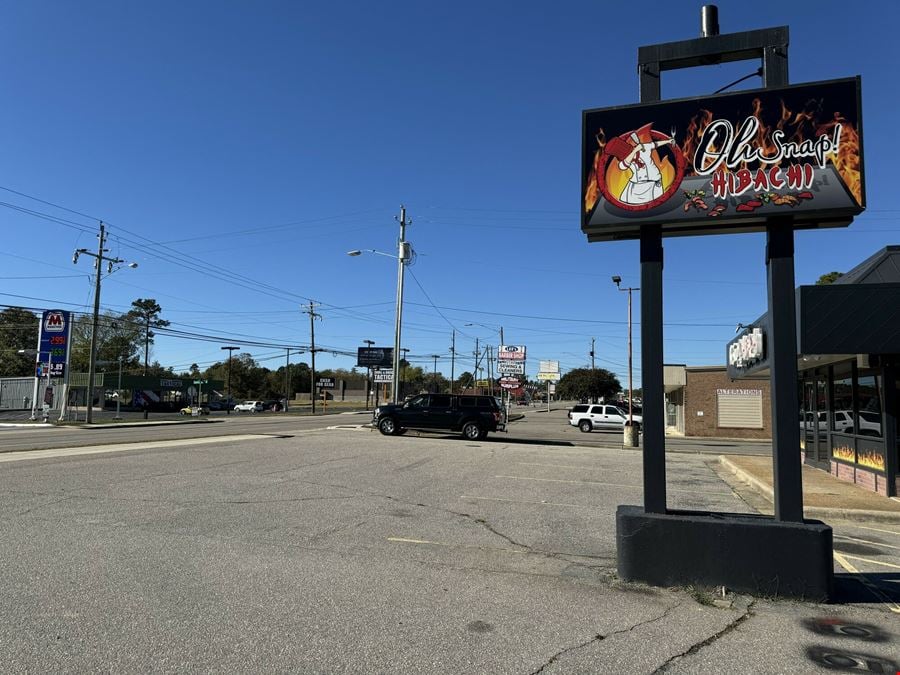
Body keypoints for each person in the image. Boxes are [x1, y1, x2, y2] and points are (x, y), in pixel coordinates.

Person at [617, 132, 674, 205]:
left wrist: (668, 141)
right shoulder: (626, 160)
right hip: (635, 187)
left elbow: (655, 144)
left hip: (653, 182)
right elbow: (623, 166)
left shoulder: (645, 147)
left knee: (656, 205)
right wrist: (635, 151)